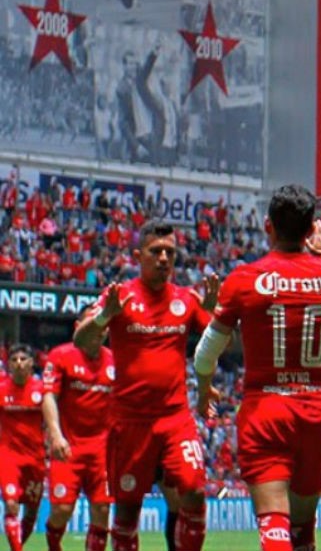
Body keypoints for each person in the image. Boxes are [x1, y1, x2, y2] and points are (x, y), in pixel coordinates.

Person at [193, 185, 321, 551]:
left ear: (268, 226)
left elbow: (204, 356)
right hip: (316, 410)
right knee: (303, 530)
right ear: (310, 229)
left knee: (274, 523)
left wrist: (204, 389)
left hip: (265, 409)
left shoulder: (244, 280)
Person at [75, 221, 219, 551]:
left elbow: (223, 342)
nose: (164, 258)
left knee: (194, 491)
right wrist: (103, 317)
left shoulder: (187, 299)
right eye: (156, 251)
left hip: (175, 419)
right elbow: (81, 340)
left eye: (170, 252)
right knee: (127, 512)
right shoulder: (120, 296)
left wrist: (215, 318)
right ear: (139, 256)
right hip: (129, 423)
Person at [42, 317, 117, 551]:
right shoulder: (60, 355)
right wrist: (55, 435)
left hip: (102, 450)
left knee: (102, 510)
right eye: (92, 324)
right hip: (68, 446)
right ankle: (54, 543)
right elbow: (48, 396)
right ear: (78, 327)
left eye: (103, 326)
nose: (99, 330)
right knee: (62, 510)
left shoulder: (115, 360)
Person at [0, 346, 45, 551]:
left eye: (23, 359)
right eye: (14, 359)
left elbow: (52, 419)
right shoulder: (1, 389)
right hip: (8, 455)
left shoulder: (42, 390)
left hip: (35, 457)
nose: (18, 363)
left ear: (31, 363)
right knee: (11, 505)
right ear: (8, 365)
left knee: (31, 511)